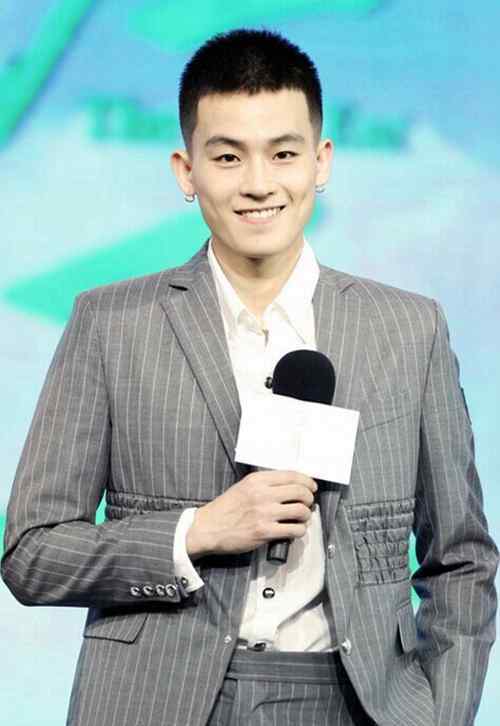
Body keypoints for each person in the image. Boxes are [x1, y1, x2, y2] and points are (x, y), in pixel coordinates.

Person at [1, 27, 498, 726]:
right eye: (228, 156)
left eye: (283, 153)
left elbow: (462, 560)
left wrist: (439, 712)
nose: (259, 183)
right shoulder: (111, 324)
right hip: (155, 701)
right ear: (186, 170)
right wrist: (195, 532)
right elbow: (32, 552)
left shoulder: (408, 329)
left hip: (353, 701)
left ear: (321, 161)